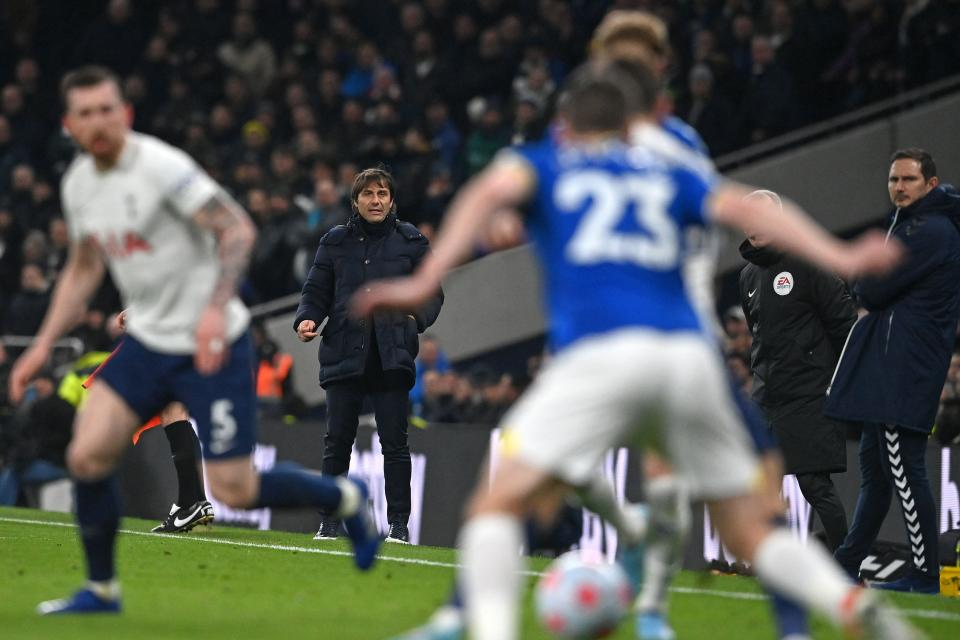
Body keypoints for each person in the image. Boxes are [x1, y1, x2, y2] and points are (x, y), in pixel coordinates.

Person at [354, 63, 914, 640]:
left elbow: (488, 190)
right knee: (752, 527)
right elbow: (751, 209)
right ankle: (849, 607)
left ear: (565, 126)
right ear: (628, 128)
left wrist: (424, 280)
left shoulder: (547, 161)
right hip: (686, 358)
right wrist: (843, 257)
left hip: (599, 354)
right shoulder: (666, 170)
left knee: (498, 503)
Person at [7, 66, 380, 615]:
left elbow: (237, 229)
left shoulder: (162, 167)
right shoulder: (79, 185)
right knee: (87, 453)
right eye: (85, 113)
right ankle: (103, 589)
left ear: (125, 113)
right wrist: (43, 344)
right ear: (70, 124)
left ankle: (345, 497)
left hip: (214, 342)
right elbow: (84, 265)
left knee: (234, 488)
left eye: (107, 109)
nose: (99, 122)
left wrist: (211, 307)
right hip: (150, 342)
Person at [825, 148, 960, 593]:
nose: (899, 187)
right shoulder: (911, 227)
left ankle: (924, 575)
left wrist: (866, 277)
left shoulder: (930, 230)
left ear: (930, 185)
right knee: (877, 471)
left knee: (904, 469)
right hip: (894, 365)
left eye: (909, 180)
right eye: (893, 180)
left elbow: (874, 287)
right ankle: (847, 561)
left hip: (903, 368)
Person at [294, 166, 443, 544]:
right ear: (355, 200)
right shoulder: (334, 241)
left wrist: (416, 317)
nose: (375, 201)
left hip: (391, 354)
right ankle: (329, 522)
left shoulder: (412, 241)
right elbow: (316, 289)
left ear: (392, 200)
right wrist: (308, 318)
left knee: (395, 444)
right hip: (344, 348)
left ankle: (398, 526)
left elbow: (432, 291)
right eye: (368, 195)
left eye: (382, 195)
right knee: (337, 440)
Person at [739, 189, 855, 552]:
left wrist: (837, 380)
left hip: (808, 393)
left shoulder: (809, 263)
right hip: (766, 395)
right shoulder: (747, 277)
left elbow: (844, 323)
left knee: (814, 484)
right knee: (760, 485)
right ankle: (765, 563)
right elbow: (759, 334)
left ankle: (846, 565)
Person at [83, 309, 215, 534]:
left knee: (170, 407)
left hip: (179, 327)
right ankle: (193, 502)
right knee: (174, 408)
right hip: (195, 325)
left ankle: (191, 503)